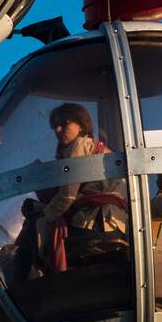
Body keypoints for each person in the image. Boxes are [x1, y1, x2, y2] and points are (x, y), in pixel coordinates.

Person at [36, 103, 129, 271]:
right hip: (117, 227)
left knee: (37, 250)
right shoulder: (97, 146)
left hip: (92, 226)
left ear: (81, 125)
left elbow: (67, 196)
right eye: (54, 126)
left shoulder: (79, 145)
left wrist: (45, 216)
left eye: (63, 124)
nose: (57, 130)